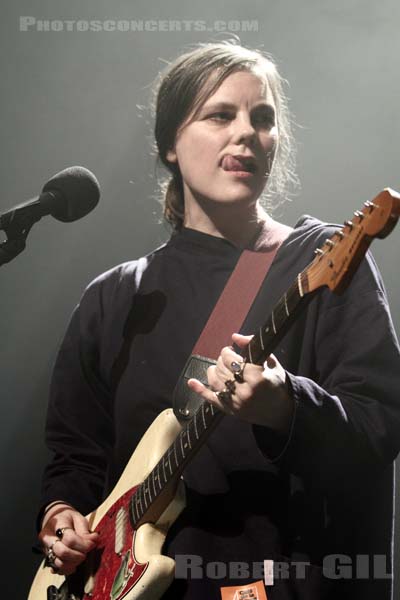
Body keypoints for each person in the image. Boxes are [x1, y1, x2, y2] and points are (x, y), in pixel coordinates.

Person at [36, 41, 400, 600]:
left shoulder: (319, 259)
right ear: (169, 145)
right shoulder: (115, 298)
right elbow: (75, 453)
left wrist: (288, 405)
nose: (246, 134)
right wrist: (63, 517)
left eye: (263, 119)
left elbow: (383, 421)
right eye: (220, 115)